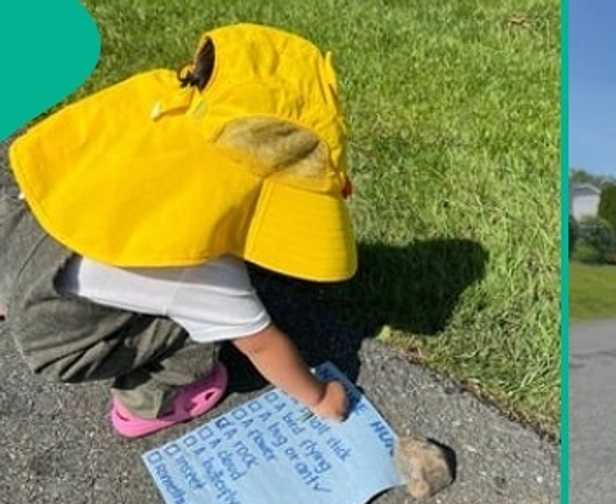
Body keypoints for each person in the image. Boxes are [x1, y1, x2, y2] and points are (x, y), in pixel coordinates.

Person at [0, 24, 355, 438]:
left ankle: (8, 288)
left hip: (19, 230)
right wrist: (319, 398)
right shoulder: (199, 265)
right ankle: (150, 402)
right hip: (56, 335)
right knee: (201, 337)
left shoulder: (150, 120)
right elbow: (260, 344)